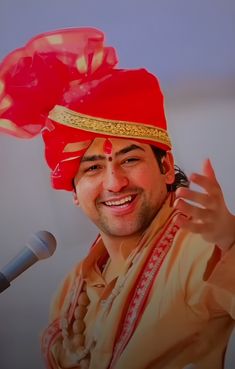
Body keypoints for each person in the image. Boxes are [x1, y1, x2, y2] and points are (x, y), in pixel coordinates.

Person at [0, 28, 234, 369]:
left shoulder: (200, 252)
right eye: (92, 168)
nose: (115, 182)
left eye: (130, 159)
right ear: (74, 192)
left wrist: (231, 238)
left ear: (166, 167)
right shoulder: (70, 292)